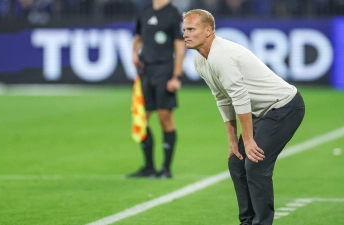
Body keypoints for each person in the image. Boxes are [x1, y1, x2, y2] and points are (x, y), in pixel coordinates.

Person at [182, 9, 305, 225]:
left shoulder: (221, 56)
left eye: (191, 29)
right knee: (236, 162)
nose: (186, 34)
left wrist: (247, 140)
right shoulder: (200, 60)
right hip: (261, 113)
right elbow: (223, 99)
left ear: (208, 31)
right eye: (184, 30)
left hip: (284, 108)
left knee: (256, 165)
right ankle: (247, 221)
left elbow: (240, 98)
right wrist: (233, 142)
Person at [127, 0, 186, 179]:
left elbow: (179, 46)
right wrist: (134, 53)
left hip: (165, 70)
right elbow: (138, 37)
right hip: (147, 71)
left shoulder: (173, 13)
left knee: (164, 117)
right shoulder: (144, 12)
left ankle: (166, 168)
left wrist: (176, 76)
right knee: (141, 117)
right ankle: (149, 167)